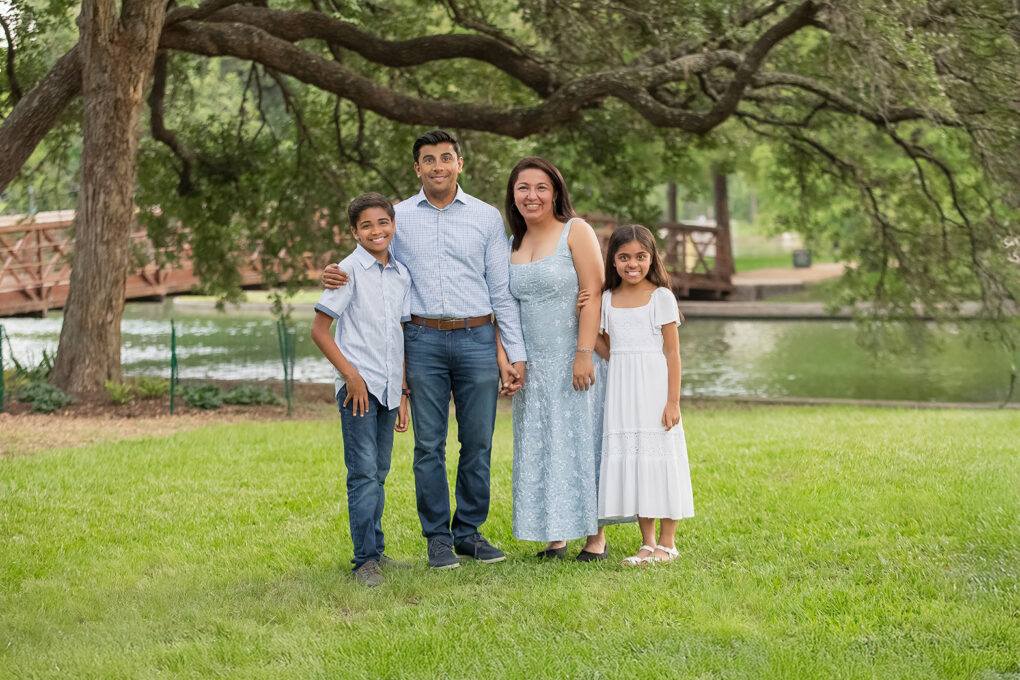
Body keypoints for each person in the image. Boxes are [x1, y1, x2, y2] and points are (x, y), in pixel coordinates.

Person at [321, 130, 525, 569]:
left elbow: (501, 290)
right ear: (417, 168)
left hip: (476, 338)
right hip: (421, 339)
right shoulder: (397, 217)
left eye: (446, 158)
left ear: (460, 163)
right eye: (429, 159)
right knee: (429, 445)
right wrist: (332, 271)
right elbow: (366, 252)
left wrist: (514, 352)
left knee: (478, 442)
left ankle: (468, 532)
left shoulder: (488, 218)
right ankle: (436, 538)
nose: (438, 166)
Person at [500, 156, 611, 561]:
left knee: (583, 440)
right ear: (513, 196)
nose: (532, 196)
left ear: (555, 192)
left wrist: (583, 353)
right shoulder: (512, 243)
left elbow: (594, 293)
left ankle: (595, 537)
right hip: (533, 364)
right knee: (544, 443)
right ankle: (555, 535)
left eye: (541, 187)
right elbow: (504, 308)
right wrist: (508, 360)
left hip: (574, 357)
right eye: (523, 188)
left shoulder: (575, 231)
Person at [310, 192, 412, 587]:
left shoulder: (401, 275)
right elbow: (320, 331)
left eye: (382, 223)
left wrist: (403, 391)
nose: (376, 230)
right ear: (354, 232)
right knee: (363, 474)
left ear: (393, 225)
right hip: (357, 390)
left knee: (379, 472)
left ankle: (377, 550)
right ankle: (363, 561)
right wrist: (351, 376)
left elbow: (399, 333)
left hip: (388, 388)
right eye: (366, 225)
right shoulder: (347, 272)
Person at [595, 224, 695, 566]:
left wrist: (672, 402)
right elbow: (611, 351)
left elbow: (672, 354)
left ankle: (668, 543)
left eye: (640, 256)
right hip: (623, 394)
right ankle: (647, 543)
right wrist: (586, 313)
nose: (632, 264)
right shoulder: (607, 300)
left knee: (661, 461)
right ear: (613, 261)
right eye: (623, 257)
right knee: (637, 465)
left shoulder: (661, 298)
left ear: (652, 259)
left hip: (655, 392)